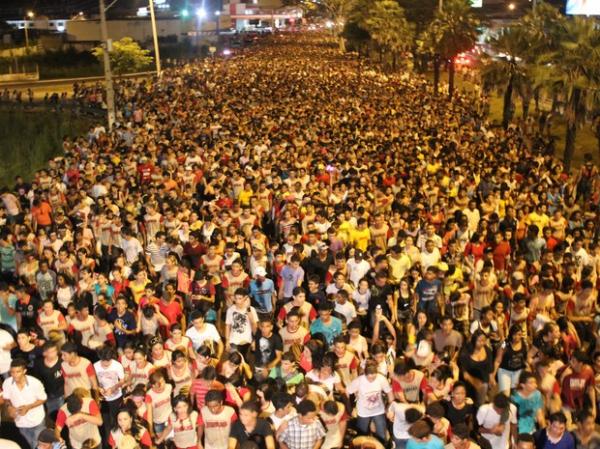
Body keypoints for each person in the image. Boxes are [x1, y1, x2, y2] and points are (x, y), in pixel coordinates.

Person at [2, 358, 47, 449]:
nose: (14, 375)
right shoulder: (7, 383)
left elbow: (43, 399)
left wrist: (28, 407)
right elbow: (6, 398)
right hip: (21, 422)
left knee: (40, 445)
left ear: (24, 371)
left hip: (37, 420)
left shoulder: (35, 383)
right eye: (12, 372)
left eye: (18, 372)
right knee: (28, 445)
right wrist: (9, 407)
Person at [347, 361, 394, 444]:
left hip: (378, 411)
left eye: (374, 377)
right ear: (365, 374)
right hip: (363, 412)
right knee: (361, 436)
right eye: (369, 378)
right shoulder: (359, 380)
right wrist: (351, 408)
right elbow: (347, 392)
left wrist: (390, 408)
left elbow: (389, 393)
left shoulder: (381, 378)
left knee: (382, 435)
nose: (372, 380)